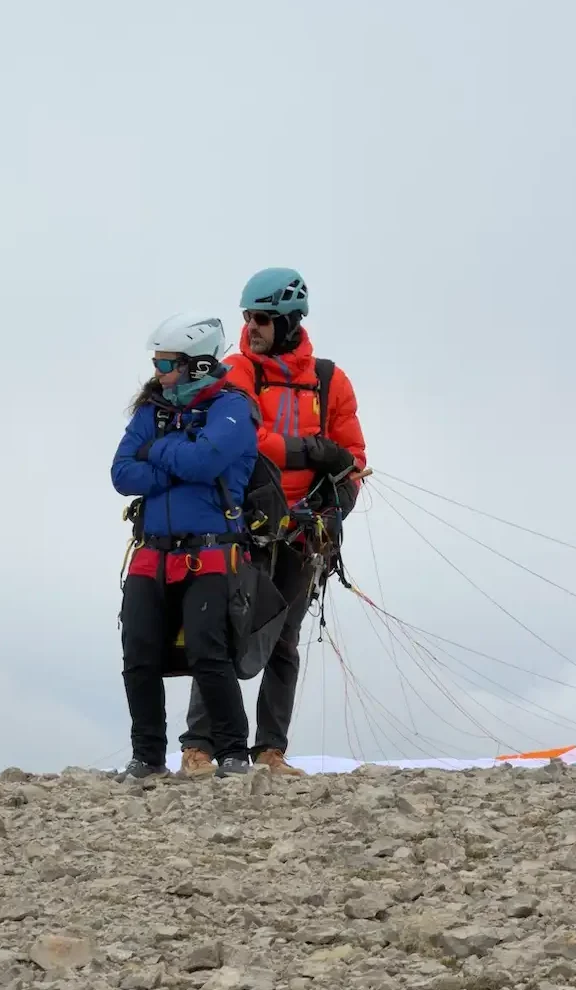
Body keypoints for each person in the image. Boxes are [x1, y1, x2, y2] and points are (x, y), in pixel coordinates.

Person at [178, 268, 367, 778]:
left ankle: (270, 750)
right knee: (221, 629)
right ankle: (199, 745)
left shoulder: (331, 381)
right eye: (247, 317)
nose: (251, 326)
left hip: (305, 533)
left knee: (284, 638)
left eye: (261, 318)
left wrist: (336, 507)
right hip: (244, 524)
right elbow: (240, 441)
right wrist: (309, 450)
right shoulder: (234, 372)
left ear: (289, 323)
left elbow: (353, 460)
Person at [110, 311, 259, 780]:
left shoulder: (233, 409)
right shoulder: (150, 411)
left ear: (196, 364)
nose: (158, 372)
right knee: (138, 653)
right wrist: (179, 457)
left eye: (166, 363)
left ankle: (234, 751)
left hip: (211, 550)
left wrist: (154, 451)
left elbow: (205, 460)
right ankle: (148, 757)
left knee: (207, 652)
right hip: (152, 551)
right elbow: (120, 472)